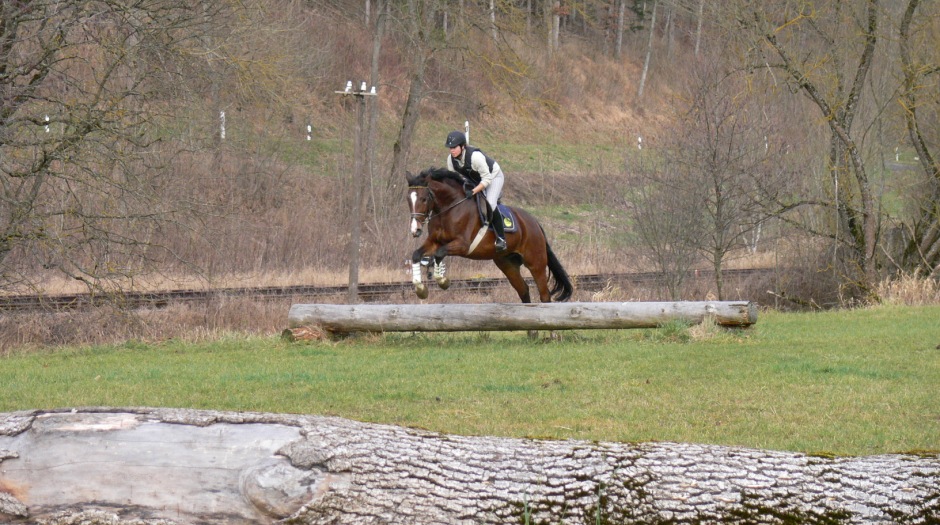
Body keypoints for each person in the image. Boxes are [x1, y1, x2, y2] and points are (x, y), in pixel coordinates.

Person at [444, 130, 507, 251]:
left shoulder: (475, 157)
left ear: (462, 147)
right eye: (450, 147)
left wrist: (473, 191)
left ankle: (501, 238)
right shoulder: (450, 160)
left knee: (490, 204)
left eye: (454, 147)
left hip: (493, 177)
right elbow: (454, 180)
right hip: (474, 179)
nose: (452, 150)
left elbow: (487, 179)